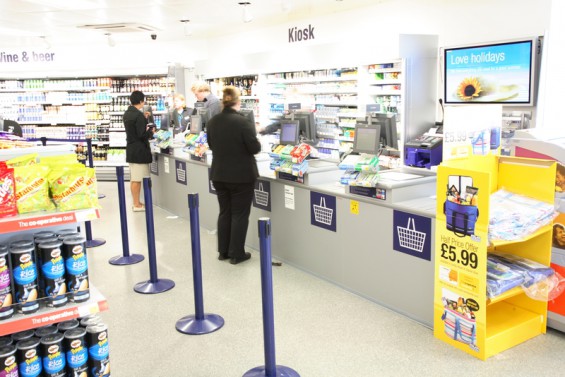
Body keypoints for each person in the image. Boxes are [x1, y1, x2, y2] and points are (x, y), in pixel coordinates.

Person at [207, 86, 261, 264]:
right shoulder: (243, 122)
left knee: (225, 212)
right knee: (239, 214)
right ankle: (237, 253)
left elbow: (212, 145)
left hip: (219, 174)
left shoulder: (213, 121)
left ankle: (223, 251)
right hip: (241, 176)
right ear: (238, 102)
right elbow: (254, 148)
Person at [124, 90, 155, 212]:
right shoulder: (138, 115)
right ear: (141, 101)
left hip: (131, 149)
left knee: (134, 178)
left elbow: (136, 129)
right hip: (139, 151)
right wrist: (150, 132)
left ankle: (137, 202)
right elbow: (142, 134)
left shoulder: (128, 113)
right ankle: (136, 204)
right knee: (137, 179)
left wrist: (144, 118)